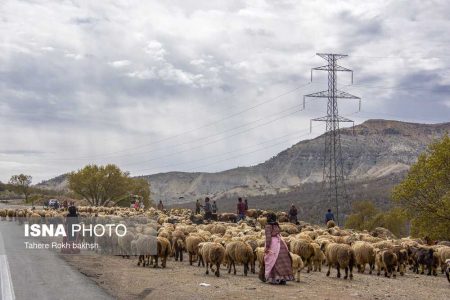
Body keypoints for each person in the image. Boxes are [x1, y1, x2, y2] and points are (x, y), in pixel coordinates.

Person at [260, 212, 294, 284]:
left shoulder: (268, 226)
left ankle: (274, 279)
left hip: (273, 244)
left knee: (272, 260)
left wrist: (267, 247)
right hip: (280, 243)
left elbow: (268, 237)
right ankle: (282, 279)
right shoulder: (276, 225)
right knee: (283, 260)